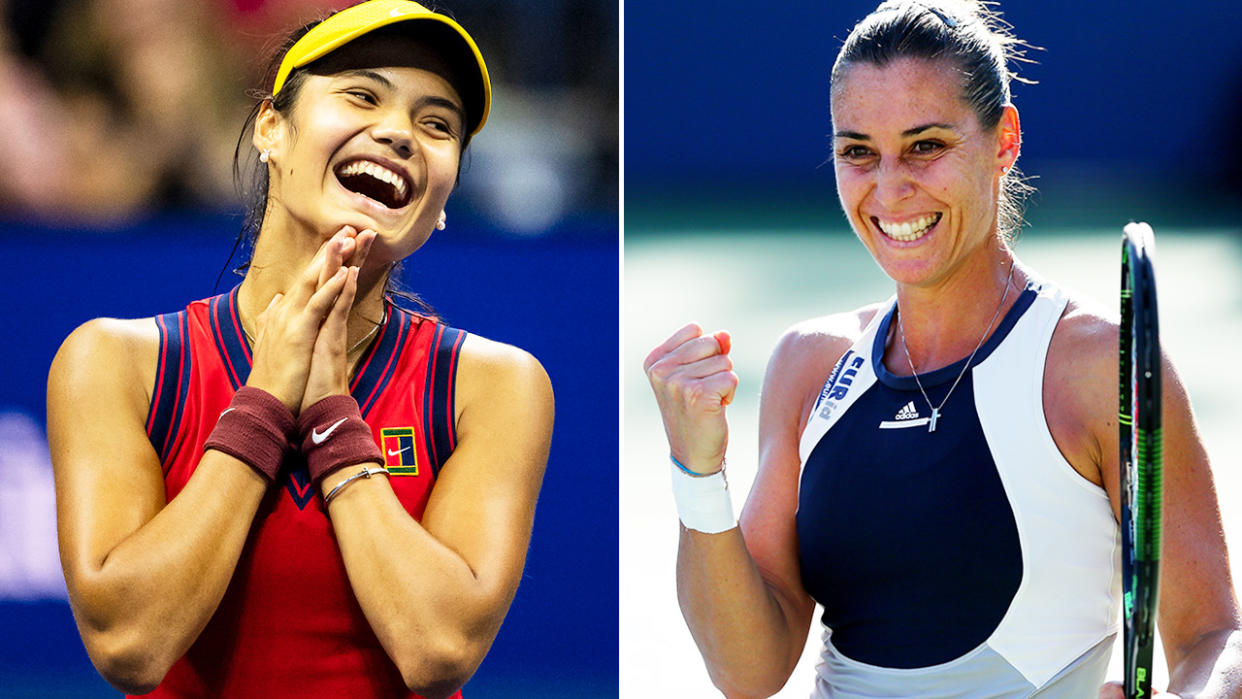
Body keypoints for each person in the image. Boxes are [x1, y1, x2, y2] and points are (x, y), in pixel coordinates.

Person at [643, 1, 1241, 697]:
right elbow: (746, 671)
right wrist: (697, 470)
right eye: (857, 151)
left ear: (1004, 141)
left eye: (926, 145)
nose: (890, 187)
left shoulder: (1094, 366)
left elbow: (1213, 637)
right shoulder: (807, 365)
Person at [46, 2, 553, 697]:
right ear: (271, 130)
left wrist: (330, 415)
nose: (399, 133)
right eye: (362, 95)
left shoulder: (492, 384)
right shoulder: (116, 362)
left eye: (437, 124)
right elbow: (131, 644)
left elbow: (437, 650)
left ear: (443, 200)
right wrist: (263, 402)